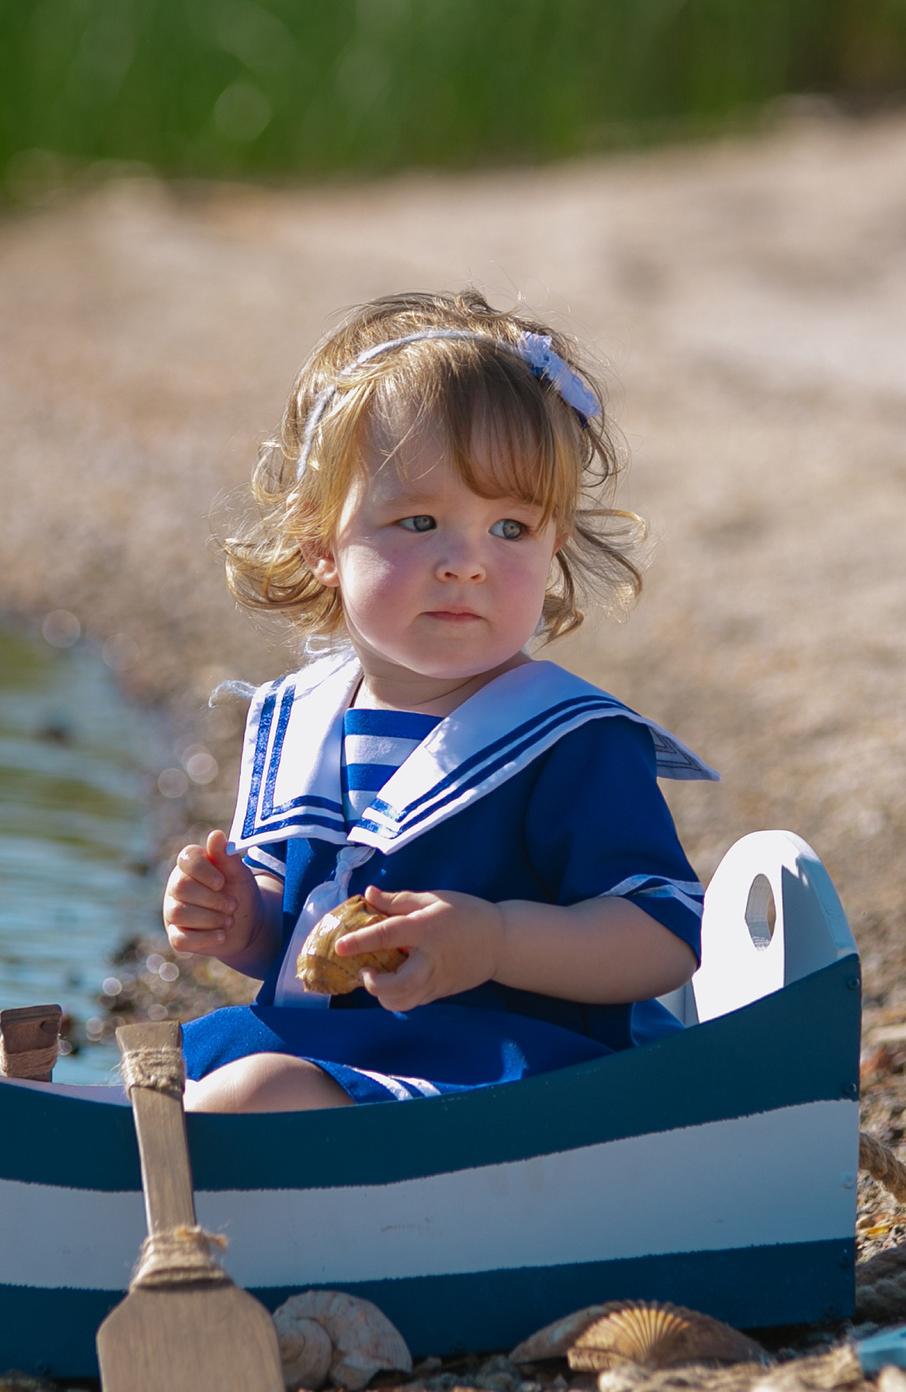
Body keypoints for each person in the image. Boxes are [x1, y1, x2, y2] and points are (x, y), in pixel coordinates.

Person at [163, 289, 716, 1113]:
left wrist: (492, 940)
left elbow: (664, 939)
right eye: (420, 521)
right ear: (321, 542)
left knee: (251, 1096)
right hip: (332, 1050)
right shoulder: (302, 722)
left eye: (510, 529)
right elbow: (300, 951)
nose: (467, 562)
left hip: (501, 1080)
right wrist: (244, 924)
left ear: (555, 539)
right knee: (159, 1084)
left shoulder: (565, 738)